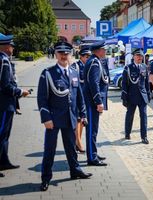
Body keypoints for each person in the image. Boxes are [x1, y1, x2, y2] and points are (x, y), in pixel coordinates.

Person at [37, 42, 92, 191]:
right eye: (60, 52)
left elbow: (79, 96)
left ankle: (75, 170)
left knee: (71, 148)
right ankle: (45, 177)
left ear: (70, 54)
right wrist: (46, 118)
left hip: (70, 118)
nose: (63, 55)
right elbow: (42, 98)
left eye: (66, 53)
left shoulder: (74, 72)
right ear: (55, 54)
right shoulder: (47, 73)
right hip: (53, 119)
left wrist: (83, 114)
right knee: (50, 150)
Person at [0, 35, 30, 178]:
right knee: (1, 134)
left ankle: (4, 161)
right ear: (5, 47)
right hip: (4, 104)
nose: (13, 48)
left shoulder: (5, 60)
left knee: (5, 135)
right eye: (11, 45)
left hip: (7, 104)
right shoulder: (3, 61)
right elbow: (5, 86)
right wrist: (20, 92)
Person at [83, 40, 108, 166]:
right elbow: (94, 83)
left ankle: (93, 152)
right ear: (98, 50)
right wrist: (98, 101)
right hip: (91, 102)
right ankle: (92, 158)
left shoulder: (94, 61)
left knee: (94, 130)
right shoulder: (94, 62)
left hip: (91, 101)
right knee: (92, 130)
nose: (105, 51)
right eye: (104, 49)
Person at [121, 49, 150, 144]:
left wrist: (148, 95)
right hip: (131, 96)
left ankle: (144, 136)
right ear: (133, 56)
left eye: (141, 56)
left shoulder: (144, 67)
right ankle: (127, 132)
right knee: (130, 115)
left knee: (144, 116)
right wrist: (124, 98)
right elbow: (124, 84)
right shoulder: (128, 68)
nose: (139, 58)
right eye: (137, 56)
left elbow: (146, 83)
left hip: (142, 96)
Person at [70, 47, 91, 153]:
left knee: (83, 120)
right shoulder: (76, 66)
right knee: (78, 120)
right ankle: (78, 142)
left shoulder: (89, 66)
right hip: (78, 97)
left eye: (89, 57)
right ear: (81, 56)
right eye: (86, 57)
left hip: (86, 98)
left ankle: (77, 142)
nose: (88, 58)